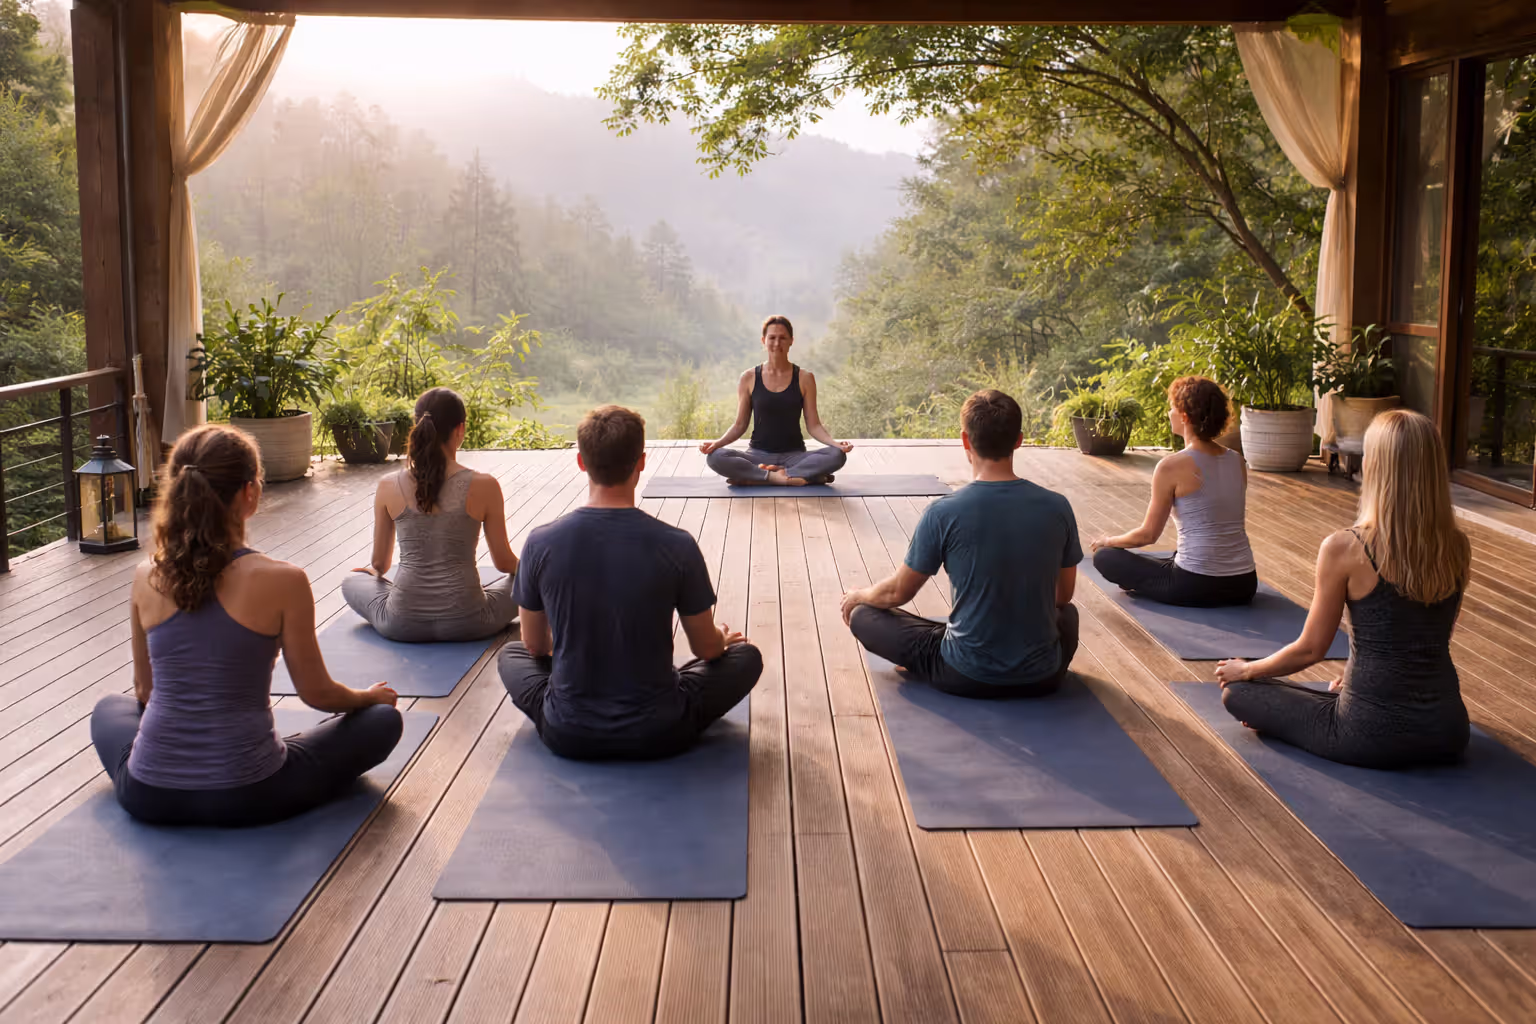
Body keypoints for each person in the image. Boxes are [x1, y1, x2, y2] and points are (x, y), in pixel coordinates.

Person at [90, 425, 402, 828]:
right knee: (382, 721)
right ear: (249, 493)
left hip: (149, 794)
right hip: (253, 793)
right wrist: (367, 697)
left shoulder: (144, 575)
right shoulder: (284, 580)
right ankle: (265, 750)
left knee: (108, 708)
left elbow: (144, 692)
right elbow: (318, 694)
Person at [500, 405, 763, 759]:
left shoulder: (540, 542)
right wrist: (721, 641)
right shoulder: (677, 544)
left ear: (581, 462)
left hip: (569, 731)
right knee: (746, 656)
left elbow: (534, 646)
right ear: (641, 462)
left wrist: (571, 656)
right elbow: (706, 649)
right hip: (660, 730)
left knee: (512, 654)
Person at [1216, 409, 1471, 768]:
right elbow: (1422, 638)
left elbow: (1310, 650)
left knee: (1239, 694)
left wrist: (1247, 670)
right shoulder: (1457, 546)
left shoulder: (1346, 547)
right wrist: (1357, 676)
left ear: (1377, 466)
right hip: (1448, 732)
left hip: (1369, 735)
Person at [841, 389, 1082, 698]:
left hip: (963, 674)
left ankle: (961, 644)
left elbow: (897, 592)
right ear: (1018, 440)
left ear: (966, 441)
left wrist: (858, 595)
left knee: (864, 614)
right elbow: (1063, 597)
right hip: (1043, 676)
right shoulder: (1057, 506)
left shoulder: (944, 512)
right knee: (1070, 615)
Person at [343, 387, 519, 643]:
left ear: (417, 427)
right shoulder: (485, 485)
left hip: (401, 622)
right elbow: (505, 564)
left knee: (351, 580)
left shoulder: (388, 485)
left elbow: (380, 565)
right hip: (471, 620)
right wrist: (535, 571)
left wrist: (371, 572)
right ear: (460, 429)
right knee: (533, 579)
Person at [1090, 376, 1258, 607]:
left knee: (1105, 556)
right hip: (1244, 584)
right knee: (1171, 557)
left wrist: (1108, 540)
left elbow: (1148, 535)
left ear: (1185, 417)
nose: (1169, 413)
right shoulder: (1237, 461)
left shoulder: (1171, 466)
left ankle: (1141, 582)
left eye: (1172, 409)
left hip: (1195, 585)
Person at [699, 315, 853, 486]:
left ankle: (759, 478)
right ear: (763, 340)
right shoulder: (748, 378)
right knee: (716, 457)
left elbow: (814, 425)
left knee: (837, 455)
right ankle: (794, 477)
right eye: (772, 338)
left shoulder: (805, 378)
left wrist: (836, 444)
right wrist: (716, 443)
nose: (777, 343)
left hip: (795, 456)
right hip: (758, 455)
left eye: (782, 338)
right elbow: (739, 425)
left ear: (791, 341)